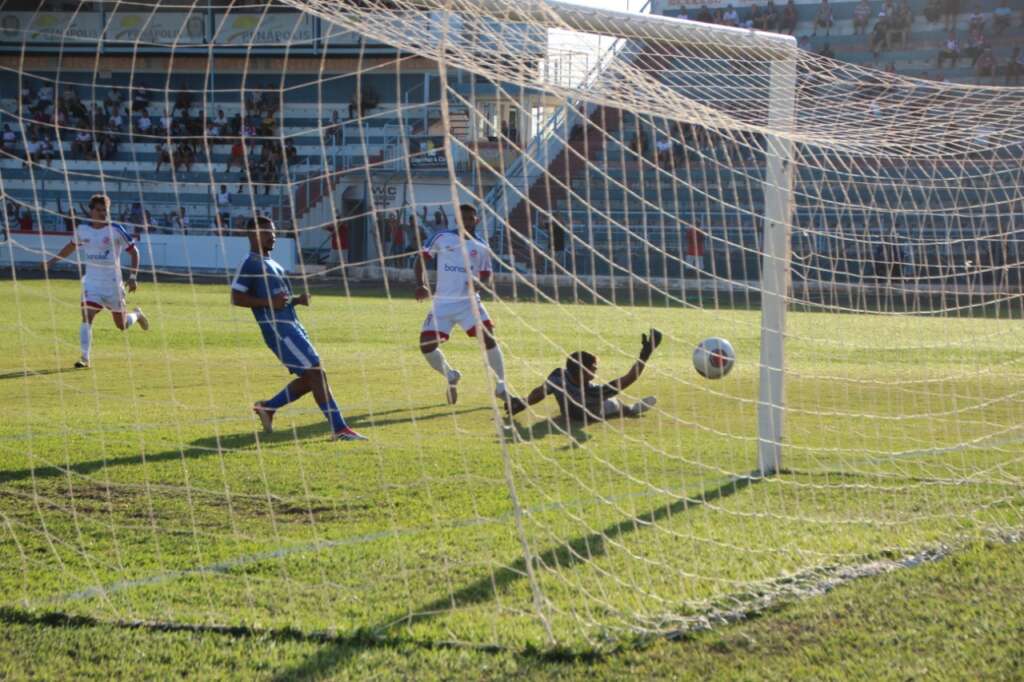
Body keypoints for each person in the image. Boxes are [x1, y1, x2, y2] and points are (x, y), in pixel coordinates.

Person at [232, 216, 367, 442]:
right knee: (316, 374)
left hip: (294, 326)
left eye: (273, 232)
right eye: (266, 232)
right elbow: (236, 297)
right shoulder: (250, 263)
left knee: (311, 377)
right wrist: (269, 303)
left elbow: (279, 300)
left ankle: (268, 408)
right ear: (252, 235)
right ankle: (339, 429)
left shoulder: (274, 264)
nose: (272, 236)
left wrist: (296, 300)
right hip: (279, 331)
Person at [414, 204, 518, 407]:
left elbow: (487, 276)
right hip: (442, 304)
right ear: (457, 220)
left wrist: (479, 284)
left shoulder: (481, 247)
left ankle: (501, 386)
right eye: (463, 219)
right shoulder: (442, 237)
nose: (467, 222)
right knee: (426, 346)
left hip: (469, 304)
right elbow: (421, 259)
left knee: (488, 338)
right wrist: (421, 284)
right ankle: (450, 375)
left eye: (471, 219)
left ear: (476, 220)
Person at [44, 194, 149, 369]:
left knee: (121, 325)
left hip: (113, 285)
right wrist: (52, 261)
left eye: (105, 210)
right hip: (92, 284)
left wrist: (132, 277)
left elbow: (134, 252)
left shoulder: (115, 230)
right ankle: (84, 358)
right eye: (99, 210)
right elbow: (71, 246)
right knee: (87, 316)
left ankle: (137, 315)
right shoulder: (83, 230)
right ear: (91, 211)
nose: (103, 214)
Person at [506, 331, 662, 423]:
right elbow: (629, 378)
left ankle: (632, 408)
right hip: (592, 415)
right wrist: (645, 355)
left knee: (616, 404)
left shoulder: (559, 377)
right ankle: (633, 409)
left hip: (579, 414)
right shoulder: (594, 392)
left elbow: (540, 392)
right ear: (582, 370)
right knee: (617, 404)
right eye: (593, 367)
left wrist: (523, 403)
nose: (596, 369)